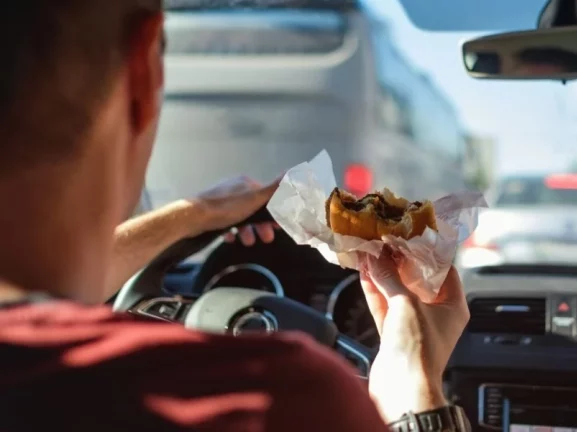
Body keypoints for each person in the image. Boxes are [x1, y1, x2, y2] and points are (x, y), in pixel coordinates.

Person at [0, 1, 470, 431]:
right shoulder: (275, 399)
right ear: (142, 73)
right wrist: (417, 389)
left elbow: (47, 293)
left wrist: (195, 216)